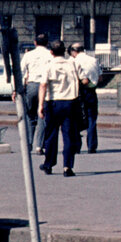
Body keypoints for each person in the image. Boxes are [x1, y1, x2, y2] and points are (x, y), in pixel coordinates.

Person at [38, 40, 83, 176]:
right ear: (64, 51)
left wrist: (40, 105)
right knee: (68, 135)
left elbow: (43, 85)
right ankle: (67, 167)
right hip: (70, 102)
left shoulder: (48, 65)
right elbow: (81, 80)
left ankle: (49, 164)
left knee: (51, 134)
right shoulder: (72, 64)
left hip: (53, 102)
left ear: (51, 52)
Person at [20, 34, 52, 154]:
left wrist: (20, 87)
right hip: (46, 86)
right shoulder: (50, 54)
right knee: (42, 115)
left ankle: (28, 144)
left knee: (30, 116)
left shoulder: (28, 55)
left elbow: (21, 71)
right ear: (47, 43)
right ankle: (40, 145)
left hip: (32, 85)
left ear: (35, 42)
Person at [69, 42, 102, 154]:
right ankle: (92, 146)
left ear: (74, 51)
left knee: (76, 118)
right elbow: (100, 78)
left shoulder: (73, 62)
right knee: (92, 118)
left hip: (77, 92)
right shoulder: (94, 60)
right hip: (91, 92)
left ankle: (76, 146)